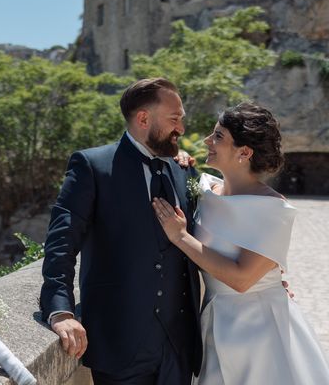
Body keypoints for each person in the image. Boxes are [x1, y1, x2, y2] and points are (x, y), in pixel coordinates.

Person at [39, 78, 202, 385]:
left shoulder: (183, 169)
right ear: (144, 119)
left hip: (179, 347)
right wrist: (60, 311)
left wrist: (261, 266)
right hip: (119, 346)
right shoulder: (92, 165)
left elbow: (209, 227)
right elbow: (62, 243)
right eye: (174, 119)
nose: (181, 128)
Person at [153, 102, 329, 384]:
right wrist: (179, 159)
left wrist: (181, 236)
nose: (206, 141)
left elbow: (242, 278)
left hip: (259, 333)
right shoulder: (206, 189)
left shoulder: (273, 210)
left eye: (218, 136)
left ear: (244, 153)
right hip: (213, 324)